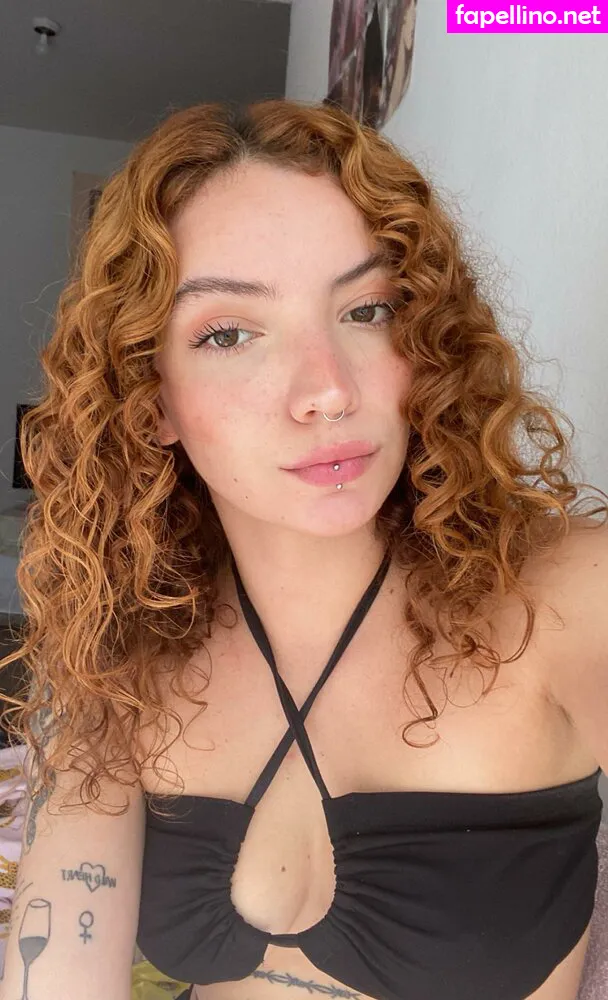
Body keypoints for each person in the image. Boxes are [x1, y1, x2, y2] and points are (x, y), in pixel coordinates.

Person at [0, 98, 606, 1000]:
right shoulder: (129, 645)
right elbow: (56, 967)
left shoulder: (565, 594)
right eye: (229, 333)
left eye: (368, 309)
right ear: (150, 398)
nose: (326, 389)